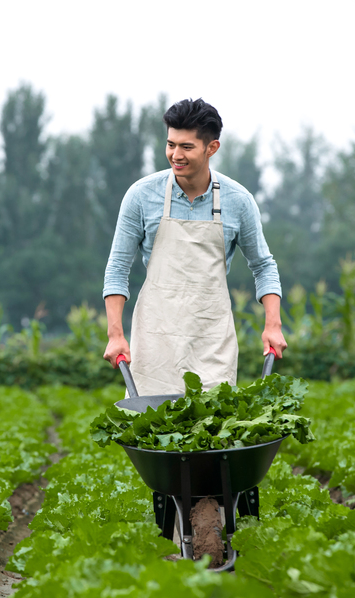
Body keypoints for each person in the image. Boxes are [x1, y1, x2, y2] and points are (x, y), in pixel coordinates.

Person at [102, 98, 286, 396]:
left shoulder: (238, 201)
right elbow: (117, 268)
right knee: (153, 420)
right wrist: (115, 334)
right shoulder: (141, 196)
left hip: (212, 339)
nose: (176, 155)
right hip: (155, 338)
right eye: (171, 144)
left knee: (212, 421)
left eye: (186, 147)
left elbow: (264, 266)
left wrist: (273, 325)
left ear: (211, 148)